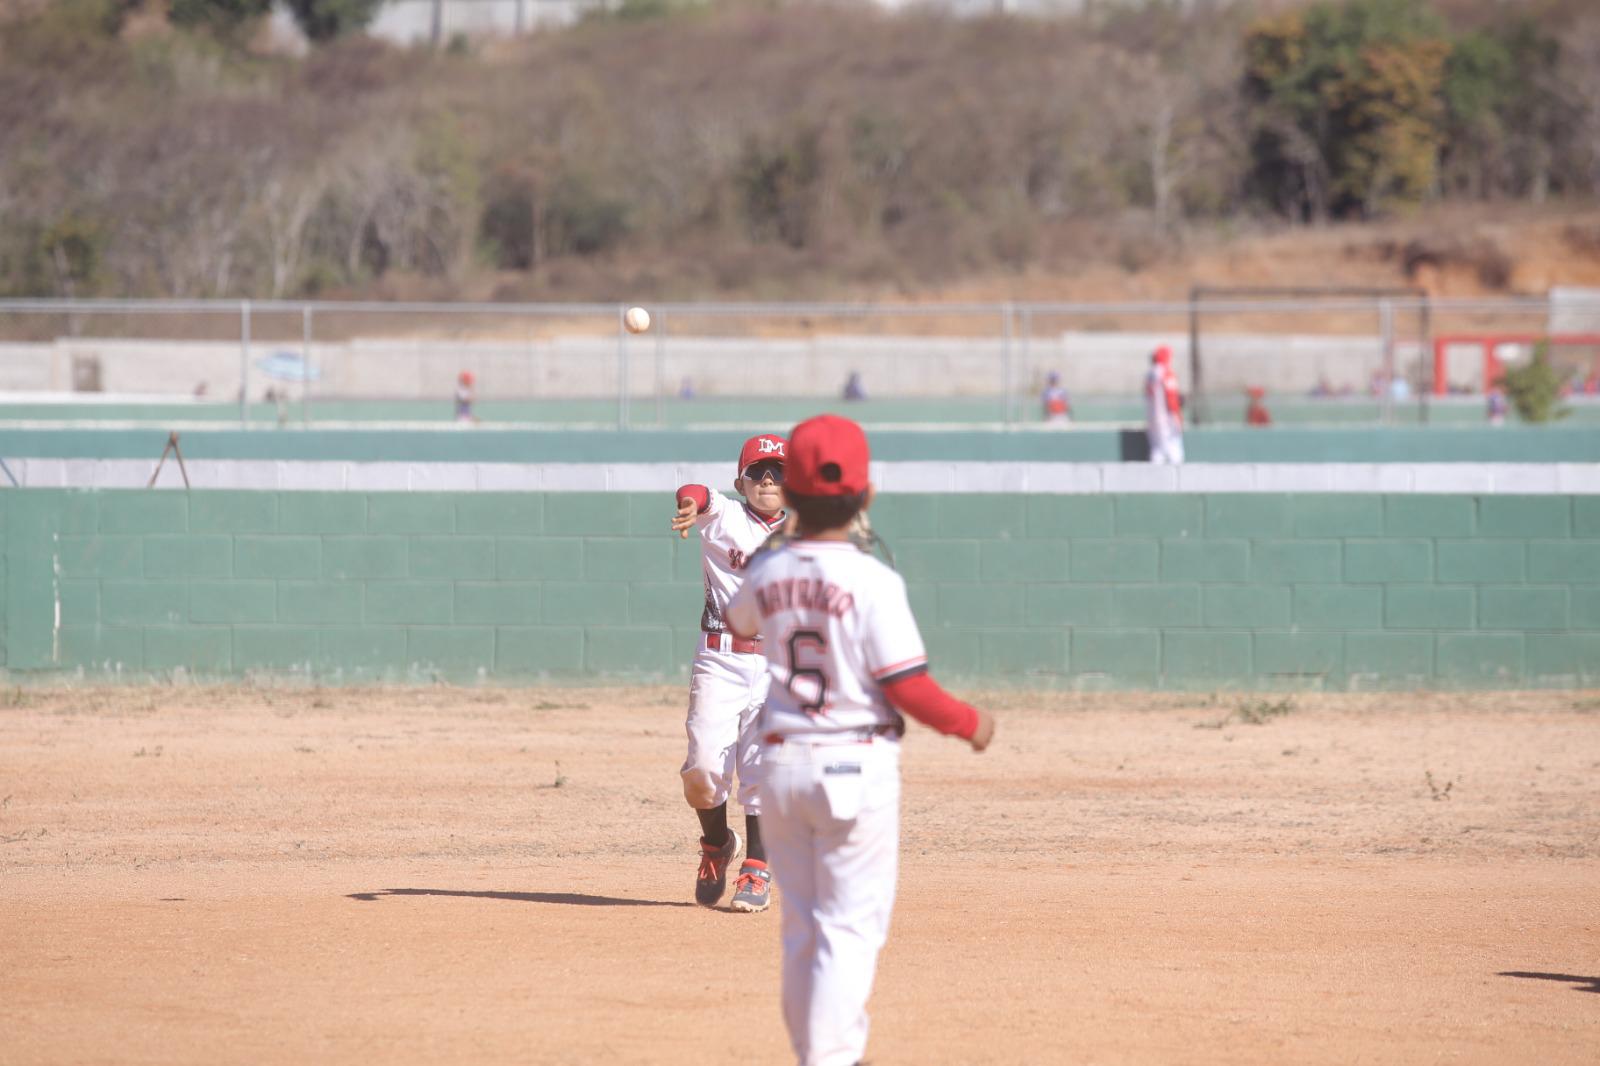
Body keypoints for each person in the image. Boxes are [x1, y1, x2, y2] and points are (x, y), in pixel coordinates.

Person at [725, 413, 995, 1066]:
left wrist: (777, 552)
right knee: (849, 930)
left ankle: (821, 1052)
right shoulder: (875, 581)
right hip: (853, 768)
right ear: (867, 496)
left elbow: (740, 623)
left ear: (787, 496)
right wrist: (969, 722)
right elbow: (908, 688)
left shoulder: (770, 570)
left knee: (802, 931)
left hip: (784, 768)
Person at [668, 433, 790, 912]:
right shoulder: (724, 516)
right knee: (702, 771)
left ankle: (757, 869)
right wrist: (686, 502)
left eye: (778, 471)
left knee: (763, 768)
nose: (767, 479)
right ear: (741, 480)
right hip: (720, 658)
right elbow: (696, 490)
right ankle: (717, 843)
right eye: (758, 470)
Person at [1144, 345, 1184, 464]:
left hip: (1152, 420)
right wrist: (1177, 417)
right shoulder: (1166, 373)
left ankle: (1154, 480)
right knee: (1174, 451)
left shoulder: (1150, 374)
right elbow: (1171, 398)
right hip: (1167, 420)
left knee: (1157, 451)